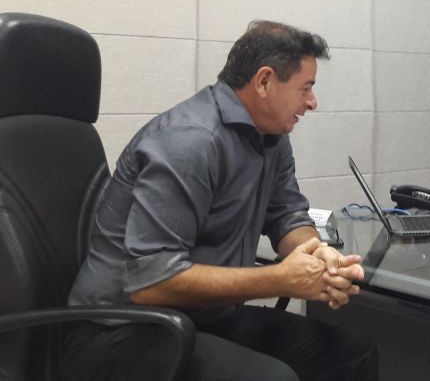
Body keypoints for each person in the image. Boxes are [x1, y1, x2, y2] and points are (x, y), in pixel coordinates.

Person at [61, 20, 378, 381]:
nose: (312, 103)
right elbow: (152, 282)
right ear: (264, 81)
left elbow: (287, 216)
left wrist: (316, 254)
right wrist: (280, 279)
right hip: (119, 331)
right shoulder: (189, 142)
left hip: (203, 315)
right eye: (305, 88)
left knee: (351, 351)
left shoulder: (272, 138)